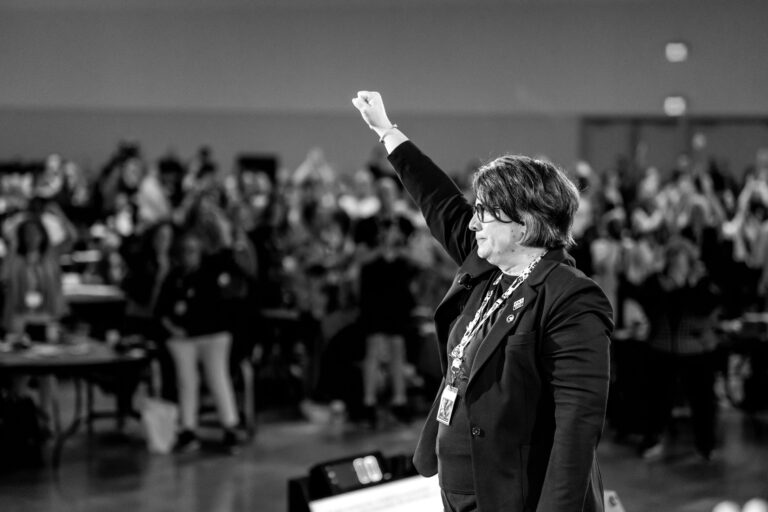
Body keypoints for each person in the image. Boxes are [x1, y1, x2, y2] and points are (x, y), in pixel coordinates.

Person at [352, 91, 613, 512]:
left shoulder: (571, 296)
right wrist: (386, 130)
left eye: (485, 212)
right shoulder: (491, 266)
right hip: (462, 493)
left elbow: (576, 431)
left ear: (525, 224)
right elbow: (437, 201)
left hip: (514, 497)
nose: (472, 222)